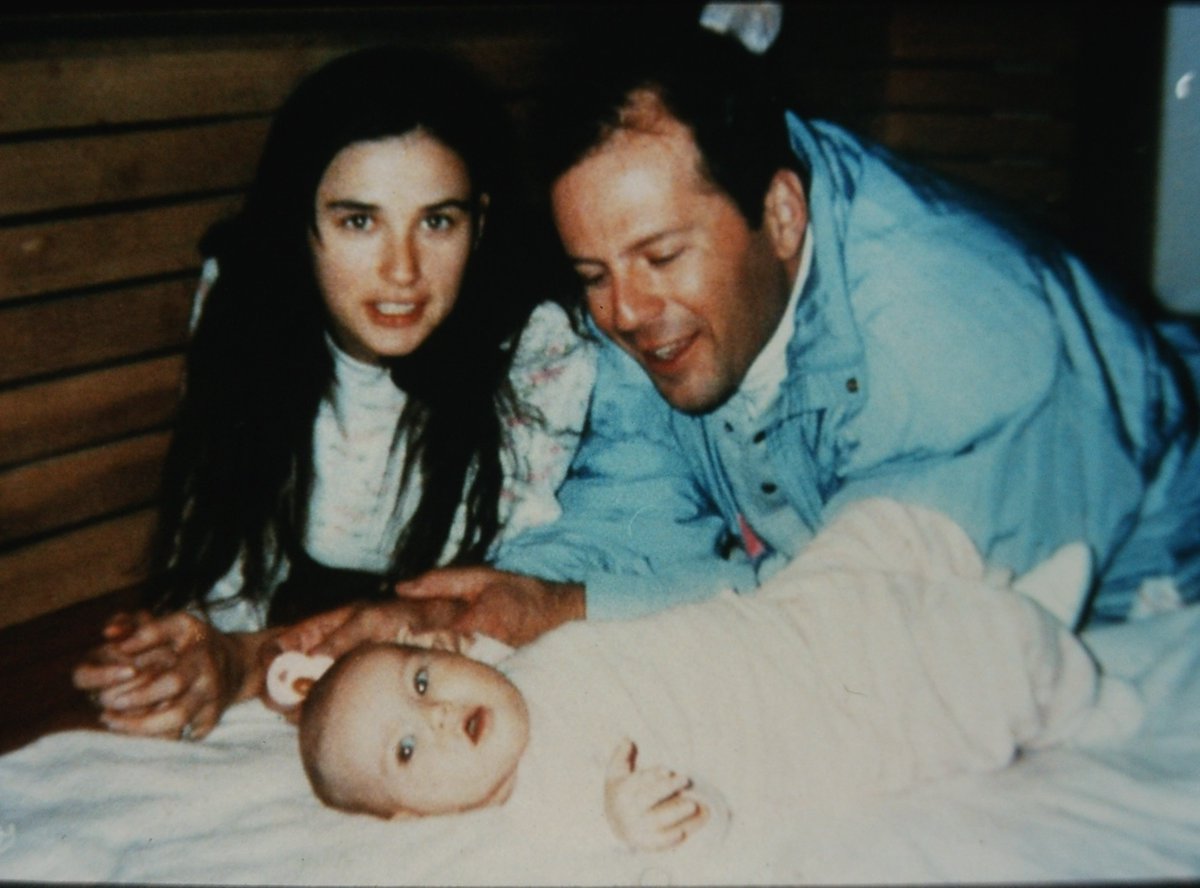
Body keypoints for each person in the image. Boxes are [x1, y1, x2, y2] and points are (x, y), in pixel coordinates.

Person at [276, 26, 1200, 661]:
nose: (627, 312)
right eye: (593, 274)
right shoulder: (643, 305)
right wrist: (538, 599)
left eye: (662, 256)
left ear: (783, 215)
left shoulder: (953, 340)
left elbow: (877, 634)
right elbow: (648, 521)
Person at [70, 45, 596, 742]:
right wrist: (186, 654)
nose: (402, 271)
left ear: (482, 221)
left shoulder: (538, 345)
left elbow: (496, 607)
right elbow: (229, 568)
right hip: (299, 653)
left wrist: (251, 658)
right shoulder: (241, 305)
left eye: (437, 221)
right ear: (301, 224)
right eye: (359, 221)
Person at [294, 500, 1131, 853]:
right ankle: (1061, 671)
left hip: (775, 622)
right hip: (807, 713)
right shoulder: (547, 803)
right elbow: (670, 834)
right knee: (953, 673)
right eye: (407, 750)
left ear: (447, 655)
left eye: (421, 684)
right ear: (409, 814)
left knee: (880, 533)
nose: (437, 719)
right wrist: (628, 816)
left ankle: (1001, 596)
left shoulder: (513, 669)